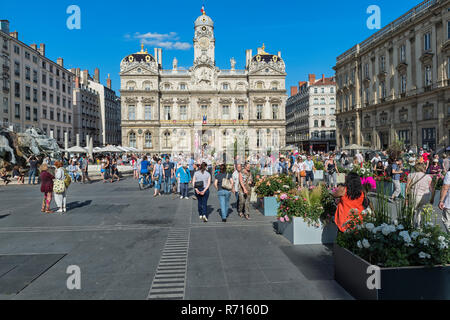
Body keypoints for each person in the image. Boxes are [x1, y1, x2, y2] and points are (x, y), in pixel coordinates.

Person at [406, 163, 432, 227]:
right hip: (425, 195)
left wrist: (406, 197)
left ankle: (411, 225)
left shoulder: (411, 175)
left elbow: (407, 186)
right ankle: (421, 226)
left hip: (415, 195)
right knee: (421, 211)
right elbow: (431, 188)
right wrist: (432, 198)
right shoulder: (428, 177)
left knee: (412, 211)